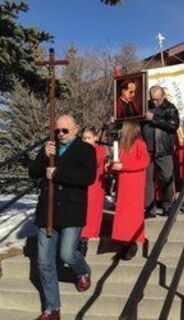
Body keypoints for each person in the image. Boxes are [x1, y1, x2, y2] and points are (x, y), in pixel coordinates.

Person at [29, 115, 96, 320]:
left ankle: (83, 270)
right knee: (44, 262)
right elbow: (33, 173)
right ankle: (52, 308)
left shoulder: (86, 150)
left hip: (71, 210)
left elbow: (88, 178)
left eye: (65, 131)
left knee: (67, 254)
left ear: (75, 130)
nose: (60, 134)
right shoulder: (50, 148)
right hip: (47, 212)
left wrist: (57, 174)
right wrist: (42, 155)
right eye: (58, 131)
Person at [109, 121, 150, 260]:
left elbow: (144, 161)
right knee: (123, 215)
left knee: (131, 215)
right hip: (124, 185)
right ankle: (124, 242)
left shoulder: (139, 143)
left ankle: (131, 243)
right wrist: (111, 166)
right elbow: (118, 163)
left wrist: (124, 166)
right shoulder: (122, 146)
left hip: (134, 185)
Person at [142, 85, 180, 217]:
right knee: (147, 180)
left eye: (157, 99)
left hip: (163, 149)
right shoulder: (144, 106)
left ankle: (168, 205)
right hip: (146, 149)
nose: (155, 102)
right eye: (153, 99)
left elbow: (174, 125)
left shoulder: (170, 108)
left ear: (163, 96)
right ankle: (149, 208)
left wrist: (155, 119)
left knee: (166, 177)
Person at [78, 126, 108, 256]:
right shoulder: (79, 149)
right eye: (84, 138)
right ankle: (80, 238)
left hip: (94, 186)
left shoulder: (99, 150)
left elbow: (94, 163)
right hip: (82, 185)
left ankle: (83, 240)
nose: (86, 140)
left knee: (91, 213)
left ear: (95, 138)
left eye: (88, 138)